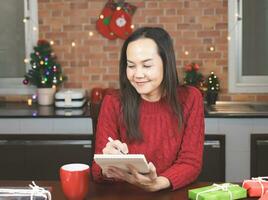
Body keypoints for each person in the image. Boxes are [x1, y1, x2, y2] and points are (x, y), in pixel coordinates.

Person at [91, 27, 204, 192]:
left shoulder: (190, 98)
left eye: (147, 65)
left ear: (166, 63)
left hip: (169, 193)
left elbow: (190, 163)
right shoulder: (113, 102)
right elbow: (96, 172)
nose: (138, 74)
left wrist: (157, 183)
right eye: (131, 66)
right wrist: (107, 163)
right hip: (125, 195)